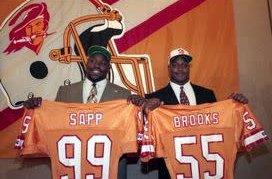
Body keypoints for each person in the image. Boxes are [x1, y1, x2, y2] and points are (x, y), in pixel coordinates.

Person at [23, 45, 154, 179]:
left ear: (109, 68)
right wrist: (36, 108)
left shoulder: (123, 94)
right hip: (72, 164)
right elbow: (53, 123)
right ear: (87, 63)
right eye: (92, 61)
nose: (96, 66)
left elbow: (134, 132)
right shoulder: (65, 91)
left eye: (102, 63)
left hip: (110, 164)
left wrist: (140, 107)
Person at [143, 47, 248, 179]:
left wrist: (230, 105)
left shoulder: (207, 94)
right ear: (169, 68)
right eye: (175, 65)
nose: (180, 69)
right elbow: (146, 132)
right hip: (171, 169)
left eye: (184, 65)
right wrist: (145, 112)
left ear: (189, 68)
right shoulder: (154, 97)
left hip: (206, 167)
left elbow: (217, 126)